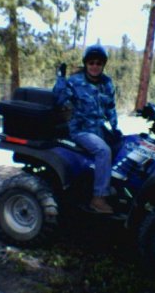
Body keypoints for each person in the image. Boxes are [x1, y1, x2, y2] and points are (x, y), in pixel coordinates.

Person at [53, 44, 120, 214]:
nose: (95, 66)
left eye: (98, 63)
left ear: (103, 64)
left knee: (124, 146)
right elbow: (59, 100)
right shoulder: (75, 81)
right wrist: (61, 78)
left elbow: (110, 107)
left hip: (99, 127)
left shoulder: (107, 83)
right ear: (86, 64)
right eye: (91, 62)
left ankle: (111, 186)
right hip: (81, 129)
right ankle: (98, 198)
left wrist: (115, 127)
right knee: (103, 151)